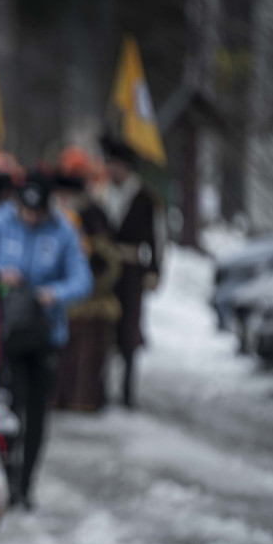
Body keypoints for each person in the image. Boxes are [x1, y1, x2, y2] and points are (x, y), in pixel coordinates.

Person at [0, 172, 91, 508]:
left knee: (36, 412)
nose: (31, 217)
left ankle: (26, 484)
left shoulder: (63, 229)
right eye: (25, 210)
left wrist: (54, 293)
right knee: (9, 408)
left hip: (45, 335)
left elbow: (82, 279)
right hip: (6, 332)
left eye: (38, 212)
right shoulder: (0, 220)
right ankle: (8, 474)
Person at [52, 148, 123, 412]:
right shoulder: (51, 217)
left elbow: (108, 259)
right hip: (61, 299)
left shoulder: (94, 215)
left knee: (86, 357)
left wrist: (92, 284)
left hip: (91, 301)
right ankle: (60, 397)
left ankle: (83, 400)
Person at [98, 136, 162, 408]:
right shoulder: (101, 195)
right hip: (103, 272)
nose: (114, 170)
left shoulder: (146, 198)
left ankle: (126, 391)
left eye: (118, 165)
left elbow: (159, 238)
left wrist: (155, 270)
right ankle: (98, 388)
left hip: (133, 271)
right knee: (102, 329)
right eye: (111, 164)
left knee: (129, 330)